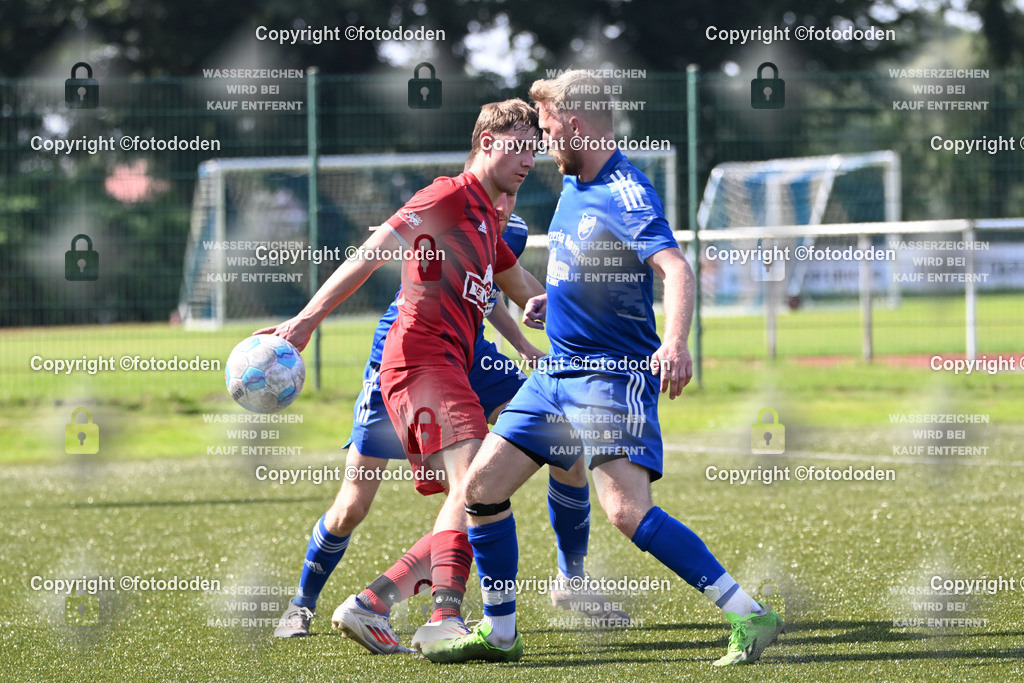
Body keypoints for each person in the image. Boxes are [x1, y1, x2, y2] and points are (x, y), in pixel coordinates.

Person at [422, 71, 784, 666]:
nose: (541, 142)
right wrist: (551, 301)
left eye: (546, 128)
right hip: (554, 374)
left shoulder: (625, 190)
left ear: (575, 123)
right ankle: (502, 633)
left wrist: (675, 344)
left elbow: (676, 269)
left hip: (609, 377)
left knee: (625, 511)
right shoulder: (573, 184)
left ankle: (749, 614)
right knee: (482, 490)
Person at [260, 98, 559, 650]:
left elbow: (526, 293)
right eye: (518, 147)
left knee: (488, 482)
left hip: (450, 363)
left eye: (534, 150)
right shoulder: (447, 195)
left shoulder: (488, 225)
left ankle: (384, 604)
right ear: (487, 144)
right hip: (418, 360)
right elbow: (373, 253)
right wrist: (305, 323)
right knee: (434, 494)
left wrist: (546, 319)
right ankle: (426, 614)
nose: (528, 161)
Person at [273, 192, 629, 651]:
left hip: (468, 354)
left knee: (557, 443)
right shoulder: (451, 214)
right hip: (402, 357)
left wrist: (524, 344)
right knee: (353, 507)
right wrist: (307, 319)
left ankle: (569, 580)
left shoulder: (497, 237)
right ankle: (305, 604)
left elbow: (491, 294)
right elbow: (391, 260)